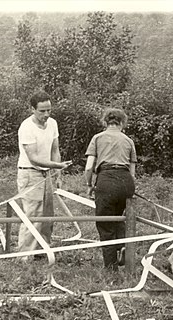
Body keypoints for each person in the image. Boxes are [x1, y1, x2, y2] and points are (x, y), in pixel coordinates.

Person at [16, 91, 72, 258]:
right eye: (42, 111)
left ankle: (42, 251)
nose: (46, 114)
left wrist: (58, 174)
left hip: (46, 174)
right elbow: (33, 158)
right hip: (29, 173)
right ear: (32, 109)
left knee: (47, 214)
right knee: (33, 215)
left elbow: (55, 150)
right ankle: (25, 256)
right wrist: (57, 165)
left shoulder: (53, 123)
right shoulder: (26, 127)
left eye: (49, 110)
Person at [84, 108, 137, 270]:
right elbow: (132, 173)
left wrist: (89, 185)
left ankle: (111, 268)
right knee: (120, 217)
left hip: (106, 179)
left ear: (106, 122)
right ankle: (122, 246)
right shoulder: (128, 141)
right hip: (125, 181)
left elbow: (88, 168)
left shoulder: (97, 138)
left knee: (105, 224)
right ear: (122, 123)